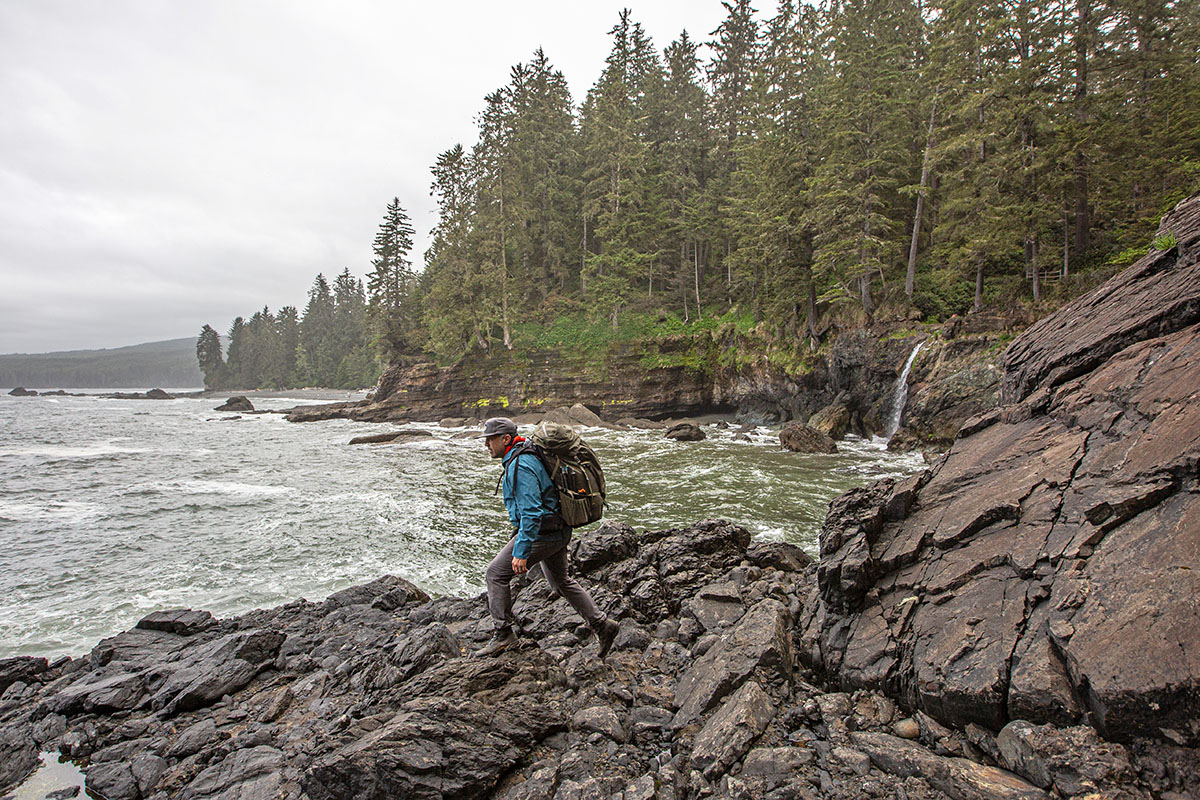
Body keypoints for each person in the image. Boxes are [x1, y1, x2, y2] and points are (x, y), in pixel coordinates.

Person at [475, 416, 620, 657]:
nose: (486, 444)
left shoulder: (521, 464)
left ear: (506, 439)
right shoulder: (526, 452)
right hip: (558, 529)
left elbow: (532, 513)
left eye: (490, 439)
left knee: (496, 574)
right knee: (561, 581)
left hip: (544, 533)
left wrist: (521, 552)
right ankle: (602, 625)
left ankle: (503, 635)